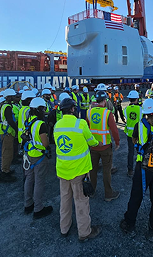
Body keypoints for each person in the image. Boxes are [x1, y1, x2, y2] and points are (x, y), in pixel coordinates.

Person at [54, 98, 102, 242]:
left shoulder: (57, 125)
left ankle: (64, 228)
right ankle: (84, 232)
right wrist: (97, 142)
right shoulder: (80, 124)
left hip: (63, 171)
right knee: (81, 202)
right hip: (79, 171)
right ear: (73, 109)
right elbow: (91, 141)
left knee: (65, 200)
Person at [120, 99, 153, 239]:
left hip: (143, 167)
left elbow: (134, 140)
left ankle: (129, 223)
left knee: (136, 196)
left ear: (145, 113)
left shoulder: (139, 125)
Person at [86, 90, 121, 201]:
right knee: (106, 170)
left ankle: (91, 191)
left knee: (93, 170)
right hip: (105, 146)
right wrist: (117, 142)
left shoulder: (89, 112)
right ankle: (108, 194)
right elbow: (114, 130)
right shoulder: (107, 113)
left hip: (93, 146)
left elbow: (85, 129)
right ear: (105, 100)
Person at [23, 97, 53, 219]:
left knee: (29, 179)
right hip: (39, 156)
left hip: (29, 154)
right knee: (39, 181)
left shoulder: (29, 120)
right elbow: (45, 143)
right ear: (40, 109)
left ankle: (28, 204)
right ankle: (38, 208)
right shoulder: (41, 124)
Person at [0, 88, 18, 182]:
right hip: (8, 133)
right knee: (7, 153)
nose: (15, 97)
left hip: (7, 132)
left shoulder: (5, 105)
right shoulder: (7, 107)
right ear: (9, 97)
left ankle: (6, 169)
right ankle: (4, 173)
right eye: (13, 96)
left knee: (8, 152)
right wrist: (16, 129)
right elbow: (10, 120)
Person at [123, 90, 142, 176]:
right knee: (140, 151)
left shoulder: (126, 109)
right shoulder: (140, 109)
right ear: (137, 99)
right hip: (139, 134)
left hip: (129, 134)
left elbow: (126, 118)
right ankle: (141, 168)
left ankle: (129, 170)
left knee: (130, 152)